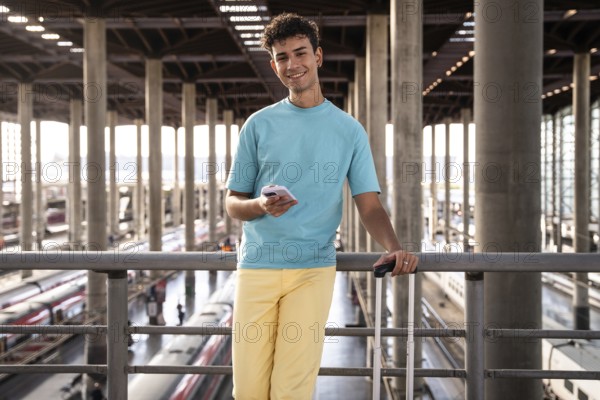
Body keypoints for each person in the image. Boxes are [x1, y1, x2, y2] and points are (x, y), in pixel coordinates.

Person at [225, 13, 418, 400]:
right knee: (246, 390)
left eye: (300, 53)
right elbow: (233, 203)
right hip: (257, 267)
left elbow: (369, 205)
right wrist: (261, 206)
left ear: (318, 56)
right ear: (274, 64)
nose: (292, 64)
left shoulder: (349, 130)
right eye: (282, 57)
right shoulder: (257, 125)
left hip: (313, 270)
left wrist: (393, 245)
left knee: (291, 389)